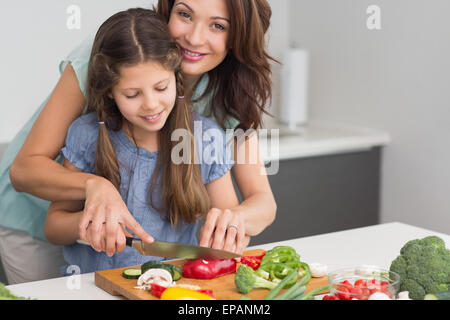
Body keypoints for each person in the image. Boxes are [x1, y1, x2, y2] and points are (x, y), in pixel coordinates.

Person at [0, 0, 277, 284]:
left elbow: (262, 201)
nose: (194, 38)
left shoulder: (227, 98)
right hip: (33, 217)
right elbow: (25, 172)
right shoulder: (117, 49)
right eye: (184, 14)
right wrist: (94, 188)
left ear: (239, 35)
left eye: (218, 25)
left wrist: (233, 221)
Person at [44, 8, 239, 273]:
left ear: (176, 79)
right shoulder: (86, 135)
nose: (151, 105)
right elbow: (53, 228)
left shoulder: (206, 140)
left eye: (161, 88)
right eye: (132, 94)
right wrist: (90, 224)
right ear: (110, 92)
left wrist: (229, 231)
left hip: (173, 288)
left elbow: (232, 229)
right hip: (93, 286)